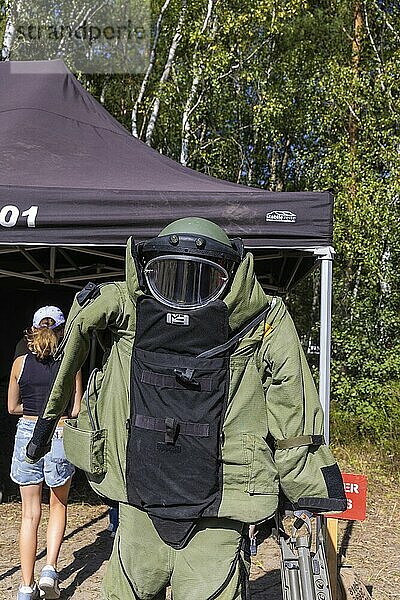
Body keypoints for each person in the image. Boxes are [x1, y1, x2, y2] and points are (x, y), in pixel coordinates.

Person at [25, 219, 346, 600]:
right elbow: (292, 403)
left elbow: (75, 338)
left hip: (137, 495)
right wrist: (305, 487)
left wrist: (44, 429)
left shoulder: (125, 302)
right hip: (223, 503)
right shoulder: (262, 317)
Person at [8, 306, 83, 600]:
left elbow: (12, 407)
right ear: (63, 330)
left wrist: (32, 411)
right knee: (58, 505)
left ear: (34, 329)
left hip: (27, 431)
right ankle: (50, 569)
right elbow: (75, 409)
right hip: (61, 430)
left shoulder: (19, 364)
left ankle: (25, 587)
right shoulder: (70, 363)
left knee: (29, 514)